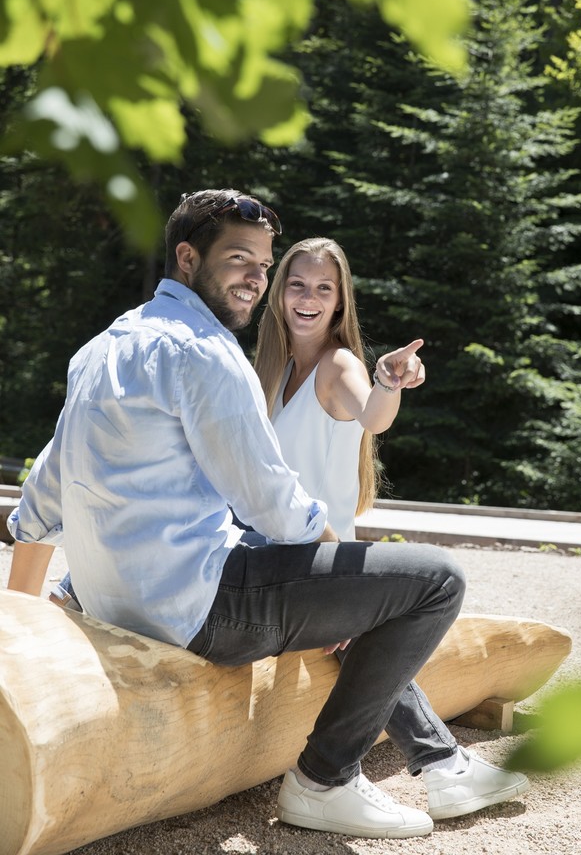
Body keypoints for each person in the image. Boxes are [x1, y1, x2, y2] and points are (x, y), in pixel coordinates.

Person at [4, 190, 513, 840]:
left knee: (335, 579)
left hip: (116, 602)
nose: (255, 277)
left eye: (264, 265)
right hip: (200, 609)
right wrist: (341, 575)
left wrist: (18, 625)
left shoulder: (102, 348)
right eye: (239, 258)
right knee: (435, 580)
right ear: (188, 257)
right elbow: (272, 502)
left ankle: (438, 762)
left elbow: (42, 495)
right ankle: (325, 781)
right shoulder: (204, 351)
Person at [254, 236, 530, 821]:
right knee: (370, 636)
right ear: (279, 293)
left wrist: (388, 381)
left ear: (340, 302)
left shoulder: (339, 364)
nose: (308, 298)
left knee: (375, 629)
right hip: (281, 559)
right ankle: (445, 766)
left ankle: (443, 766)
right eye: (297, 284)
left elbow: (373, 417)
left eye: (323, 288)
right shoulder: (271, 370)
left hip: (321, 558)